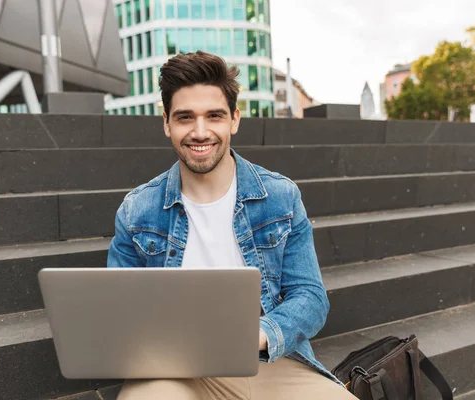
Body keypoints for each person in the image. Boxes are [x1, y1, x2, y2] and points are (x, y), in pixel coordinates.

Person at [107, 51, 356, 400]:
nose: (200, 131)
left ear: (234, 120)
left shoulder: (280, 197)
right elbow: (119, 311)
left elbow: (311, 298)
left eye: (214, 116)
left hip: (263, 362)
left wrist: (256, 334)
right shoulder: (137, 210)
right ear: (166, 123)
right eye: (184, 118)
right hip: (171, 370)